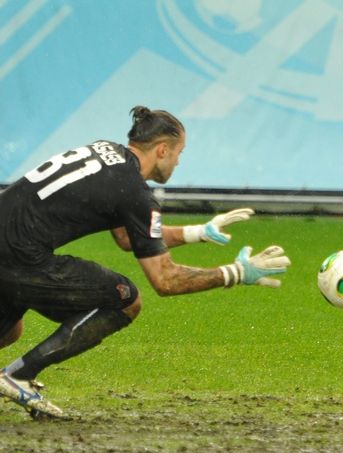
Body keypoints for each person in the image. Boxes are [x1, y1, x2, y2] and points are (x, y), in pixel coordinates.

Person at [0, 106, 291, 419]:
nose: (178, 162)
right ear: (162, 150)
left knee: (10, 330)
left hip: (9, 248)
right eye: (179, 153)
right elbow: (165, 280)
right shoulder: (135, 192)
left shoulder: (106, 153)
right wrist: (236, 273)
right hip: (19, 257)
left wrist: (198, 232)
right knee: (125, 299)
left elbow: (127, 237)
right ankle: (19, 375)